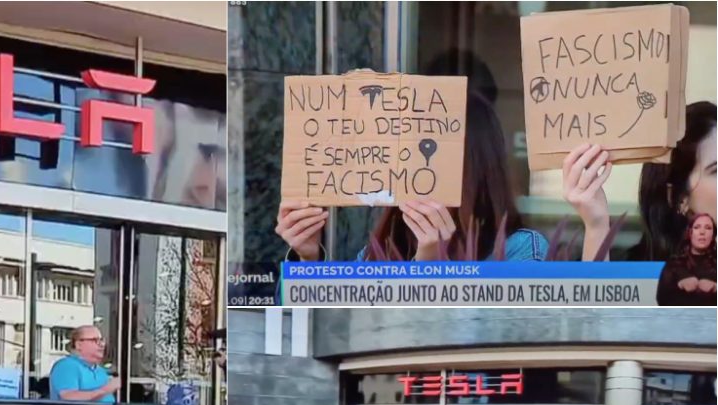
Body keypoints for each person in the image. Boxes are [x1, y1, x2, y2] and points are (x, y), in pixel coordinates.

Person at [276, 92, 548, 262]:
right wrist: (308, 256)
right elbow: (330, 334)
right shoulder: (382, 249)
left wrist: (429, 267)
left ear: (473, 170)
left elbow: (490, 341)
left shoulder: (519, 249)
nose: (414, 174)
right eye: (404, 155)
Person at [565, 101, 716, 262]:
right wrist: (596, 227)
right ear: (679, 197)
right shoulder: (637, 274)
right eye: (715, 171)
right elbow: (596, 286)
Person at [656, 213, 717, 306]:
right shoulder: (674, 264)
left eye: (708, 228)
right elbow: (661, 299)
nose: (702, 232)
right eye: (697, 227)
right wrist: (679, 286)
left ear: (713, 235)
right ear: (690, 233)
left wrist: (715, 288)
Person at [48, 325, 119, 403]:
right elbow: (69, 397)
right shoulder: (66, 366)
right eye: (95, 340)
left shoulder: (101, 371)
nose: (101, 344)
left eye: (101, 340)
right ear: (78, 345)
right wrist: (105, 390)